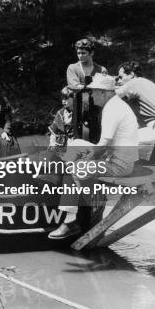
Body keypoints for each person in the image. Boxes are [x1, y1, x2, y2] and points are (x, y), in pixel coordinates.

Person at [49, 74, 138, 239]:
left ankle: (70, 221)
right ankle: (60, 177)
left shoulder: (112, 110)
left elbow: (103, 146)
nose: (92, 95)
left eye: (95, 92)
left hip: (118, 165)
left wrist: (85, 160)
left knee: (75, 169)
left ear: (105, 92)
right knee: (75, 144)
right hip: (118, 158)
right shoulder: (116, 105)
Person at [116, 61, 155, 145]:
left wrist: (104, 84)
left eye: (120, 77)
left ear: (131, 74)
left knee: (119, 140)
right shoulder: (144, 84)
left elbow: (111, 96)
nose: (118, 81)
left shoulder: (134, 82)